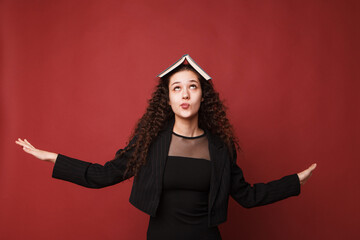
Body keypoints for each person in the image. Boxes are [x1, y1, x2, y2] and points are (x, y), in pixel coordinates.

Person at [15, 56, 317, 240]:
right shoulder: (151, 143)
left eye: (193, 86)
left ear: (203, 97)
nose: (185, 94)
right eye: (177, 88)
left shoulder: (220, 148)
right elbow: (103, 176)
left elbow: (247, 196)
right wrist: (53, 158)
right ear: (168, 99)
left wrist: (293, 183)